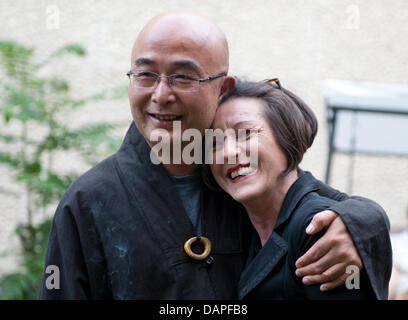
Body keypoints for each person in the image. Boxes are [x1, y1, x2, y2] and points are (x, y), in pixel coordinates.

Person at [39, 10, 391, 299]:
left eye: (182, 76)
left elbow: (317, 200)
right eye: (146, 74)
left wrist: (362, 224)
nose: (161, 94)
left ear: (223, 88)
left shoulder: (240, 175)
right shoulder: (87, 201)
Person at [207, 79, 380, 299]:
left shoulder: (320, 229)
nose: (227, 152)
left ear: (286, 135)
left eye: (245, 133)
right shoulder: (242, 227)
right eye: (214, 144)